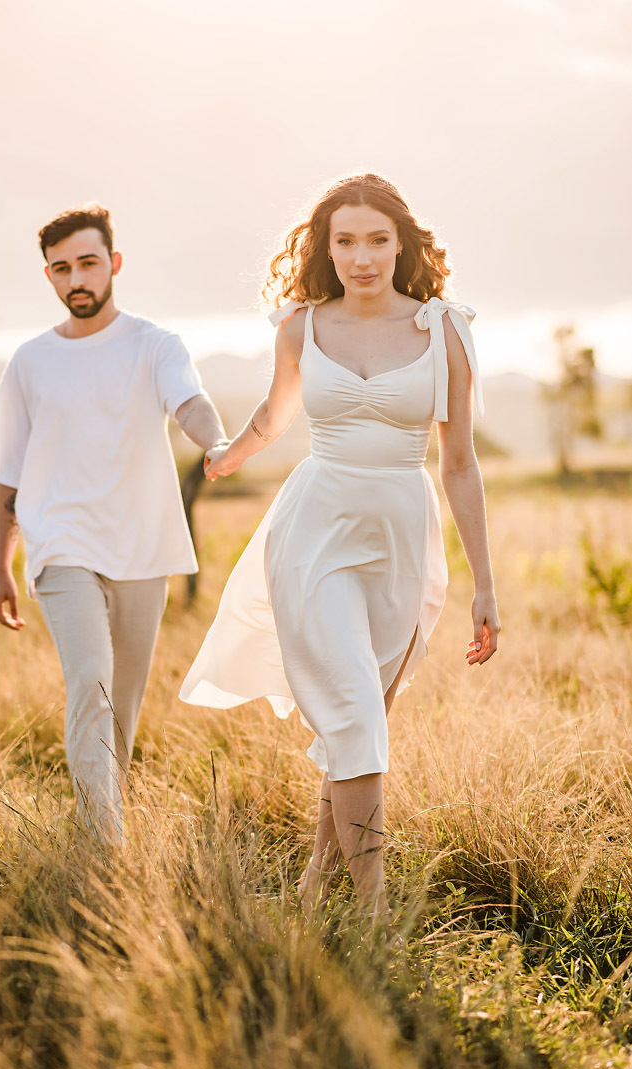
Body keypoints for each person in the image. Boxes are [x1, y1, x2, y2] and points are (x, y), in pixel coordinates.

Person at [180, 174, 500, 926]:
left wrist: (485, 585)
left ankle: (316, 880)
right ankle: (373, 915)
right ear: (325, 248)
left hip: (399, 533)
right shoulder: (300, 325)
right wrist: (229, 454)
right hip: (314, 525)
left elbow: (458, 463)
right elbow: (273, 415)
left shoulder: (442, 328)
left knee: (360, 717)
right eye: (345, 241)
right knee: (354, 708)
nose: (361, 257)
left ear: (402, 244)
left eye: (376, 240)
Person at [0, 204, 228, 845]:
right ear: (49, 277)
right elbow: (10, 469)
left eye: (87, 263)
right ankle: (104, 850)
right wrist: (2, 565)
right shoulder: (30, 362)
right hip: (60, 542)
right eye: (61, 269)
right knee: (89, 681)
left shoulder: (155, 345)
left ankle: (100, 818)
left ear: (113, 264)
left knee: (122, 702)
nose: (75, 278)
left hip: (141, 545)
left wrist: (219, 443)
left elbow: (189, 402)